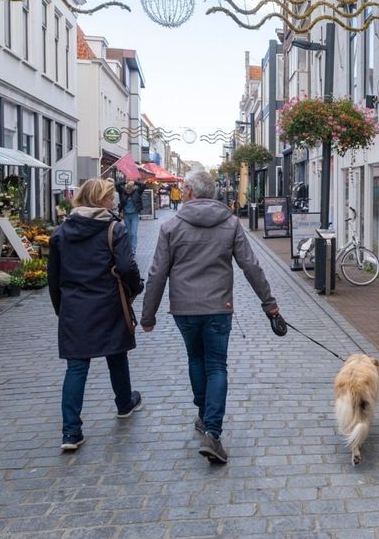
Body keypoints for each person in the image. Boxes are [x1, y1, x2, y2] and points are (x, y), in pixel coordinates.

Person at [140, 170, 281, 464]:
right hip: (218, 308)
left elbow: (156, 274)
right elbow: (251, 266)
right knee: (216, 366)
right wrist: (269, 304)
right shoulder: (229, 223)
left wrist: (148, 315)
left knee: (196, 360)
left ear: (189, 190)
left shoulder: (171, 227)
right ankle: (213, 432)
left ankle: (205, 418)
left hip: (185, 309)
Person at [48, 178, 144, 452]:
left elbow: (53, 278)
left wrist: (61, 308)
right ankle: (124, 403)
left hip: (75, 308)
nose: (114, 202)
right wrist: (136, 287)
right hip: (108, 303)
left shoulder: (61, 232)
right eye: (111, 197)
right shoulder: (114, 229)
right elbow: (126, 266)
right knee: (116, 355)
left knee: (76, 367)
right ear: (101, 200)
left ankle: (71, 432)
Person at [115, 178, 146, 255]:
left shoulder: (137, 192)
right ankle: (129, 248)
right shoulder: (122, 192)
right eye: (127, 188)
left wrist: (134, 181)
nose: (128, 190)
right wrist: (125, 181)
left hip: (134, 215)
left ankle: (133, 248)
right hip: (126, 215)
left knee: (133, 233)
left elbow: (143, 185)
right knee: (128, 233)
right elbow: (116, 185)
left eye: (129, 188)